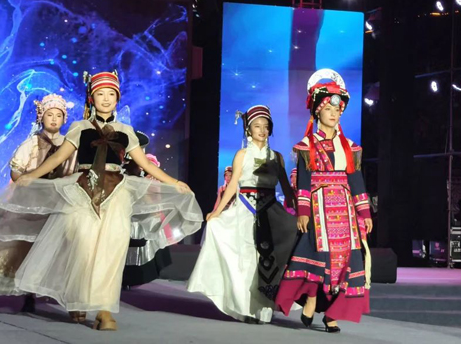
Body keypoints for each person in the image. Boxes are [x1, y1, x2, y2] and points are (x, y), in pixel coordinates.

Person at [0, 70, 202, 331]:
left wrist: (174, 182)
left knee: (113, 250)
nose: (106, 99)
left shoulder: (126, 132)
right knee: (82, 249)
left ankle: (105, 310)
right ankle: (77, 298)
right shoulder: (80, 128)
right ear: (92, 98)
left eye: (111, 94)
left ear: (117, 98)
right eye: (100, 94)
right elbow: (58, 158)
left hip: (117, 194)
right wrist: (31, 176)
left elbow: (145, 164)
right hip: (82, 192)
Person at [275, 69, 372, 333]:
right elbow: (304, 182)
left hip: (345, 212)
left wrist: (364, 213)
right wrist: (303, 211)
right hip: (319, 210)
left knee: (346, 261)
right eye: (328, 108)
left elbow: (356, 181)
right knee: (318, 257)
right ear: (317, 111)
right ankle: (312, 297)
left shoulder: (350, 147)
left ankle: (332, 313)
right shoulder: (307, 146)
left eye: (337, 109)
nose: (333, 113)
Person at [187, 105, 297, 323]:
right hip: (245, 209)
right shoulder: (242, 155)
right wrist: (217, 211)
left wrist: (300, 212)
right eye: (257, 126)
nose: (262, 130)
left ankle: (264, 309)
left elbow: (286, 188)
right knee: (245, 259)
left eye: (266, 126)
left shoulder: (276, 157)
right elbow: (233, 185)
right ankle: (246, 307)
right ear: (249, 129)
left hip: (271, 211)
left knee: (270, 258)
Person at [0, 93, 75, 313]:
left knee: (60, 246)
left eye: (58, 115)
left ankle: (57, 290)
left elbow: (74, 171)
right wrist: (30, 184)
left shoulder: (69, 145)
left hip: (59, 201)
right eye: (49, 115)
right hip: (33, 202)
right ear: (41, 117)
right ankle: (28, 293)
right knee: (26, 246)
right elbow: (16, 171)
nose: (54, 119)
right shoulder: (32, 143)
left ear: (64, 119)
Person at [122, 131, 173, 289]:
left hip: (139, 214)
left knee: (145, 236)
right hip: (125, 214)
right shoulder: (122, 170)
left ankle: (132, 277)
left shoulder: (143, 171)